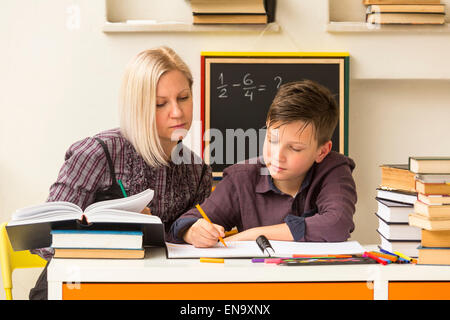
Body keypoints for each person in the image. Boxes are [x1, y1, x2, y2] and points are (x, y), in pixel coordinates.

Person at [29, 46, 212, 299]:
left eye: (183, 98)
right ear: (137, 106)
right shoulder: (97, 153)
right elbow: (41, 240)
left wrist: (192, 231)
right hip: (75, 289)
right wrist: (113, 230)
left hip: (145, 289)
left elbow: (180, 249)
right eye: (160, 104)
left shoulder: (197, 171)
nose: (177, 112)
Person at [169, 80, 357, 247]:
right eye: (272, 140)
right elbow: (185, 223)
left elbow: (336, 223)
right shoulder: (241, 178)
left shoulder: (334, 169)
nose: (277, 155)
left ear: (322, 151)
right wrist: (192, 231)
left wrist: (253, 234)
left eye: (295, 148)